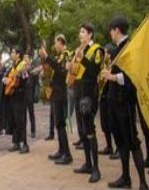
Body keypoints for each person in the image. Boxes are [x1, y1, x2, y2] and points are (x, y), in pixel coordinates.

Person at [102, 16, 149, 190]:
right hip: (114, 101)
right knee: (121, 142)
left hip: (125, 103)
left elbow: (132, 76)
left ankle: (143, 182)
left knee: (132, 141)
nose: (110, 33)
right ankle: (126, 177)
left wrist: (112, 76)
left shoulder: (130, 47)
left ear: (116, 30)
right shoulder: (116, 49)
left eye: (111, 30)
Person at [72, 23, 104, 183]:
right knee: (82, 129)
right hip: (79, 91)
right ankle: (88, 163)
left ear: (90, 34)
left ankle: (96, 169)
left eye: (83, 32)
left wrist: (81, 58)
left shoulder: (97, 49)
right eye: (80, 32)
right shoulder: (80, 50)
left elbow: (94, 70)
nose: (80, 35)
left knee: (90, 129)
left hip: (89, 94)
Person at [39, 34, 73, 165]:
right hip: (55, 93)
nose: (54, 45)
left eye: (56, 43)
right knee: (58, 124)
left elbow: (61, 70)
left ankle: (67, 154)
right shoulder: (59, 56)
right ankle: (61, 150)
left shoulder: (66, 55)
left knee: (60, 124)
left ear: (61, 42)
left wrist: (47, 56)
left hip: (61, 93)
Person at [4, 47, 29, 154]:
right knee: (14, 119)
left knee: (21, 120)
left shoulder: (22, 64)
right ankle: (16, 142)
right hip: (13, 95)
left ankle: (25, 144)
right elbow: (6, 77)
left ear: (18, 54)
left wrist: (23, 72)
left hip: (20, 95)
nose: (11, 54)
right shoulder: (12, 66)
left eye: (13, 52)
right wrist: (6, 80)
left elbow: (26, 78)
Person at [98, 44, 115, 156]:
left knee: (113, 124)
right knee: (104, 124)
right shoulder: (103, 66)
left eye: (107, 53)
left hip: (110, 98)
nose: (105, 55)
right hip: (102, 97)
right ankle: (109, 146)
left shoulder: (113, 66)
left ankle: (118, 148)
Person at [23, 53, 38, 139]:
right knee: (23, 114)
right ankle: (24, 130)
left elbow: (36, 82)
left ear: (29, 59)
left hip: (30, 94)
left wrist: (35, 93)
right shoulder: (22, 69)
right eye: (24, 58)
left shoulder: (33, 69)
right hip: (23, 94)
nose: (25, 59)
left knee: (31, 113)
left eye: (26, 58)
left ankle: (33, 130)